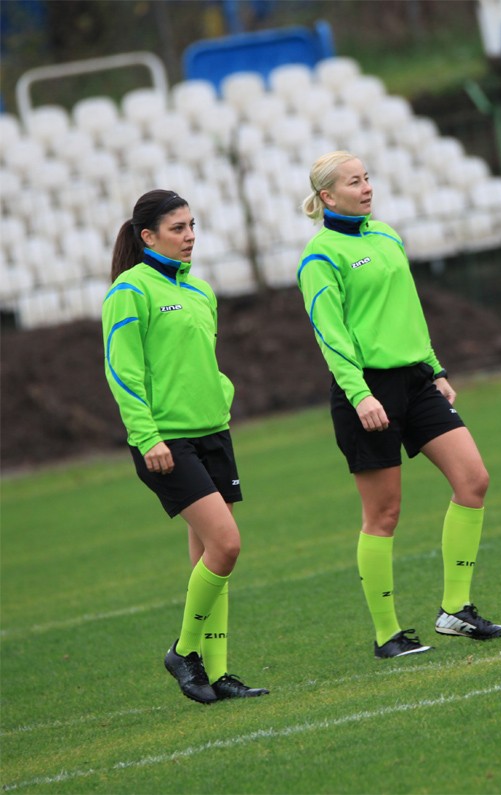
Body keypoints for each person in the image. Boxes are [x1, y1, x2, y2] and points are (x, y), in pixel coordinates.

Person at [296, 151, 501, 658]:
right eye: (354, 182)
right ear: (328, 196)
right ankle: (387, 634)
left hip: (416, 381)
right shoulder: (320, 256)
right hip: (366, 390)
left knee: (473, 480)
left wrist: (434, 368)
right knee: (384, 513)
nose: (366, 187)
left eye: (367, 178)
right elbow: (330, 336)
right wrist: (360, 394)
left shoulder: (386, 235)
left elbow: (407, 312)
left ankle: (455, 610)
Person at [102, 189, 269, 702]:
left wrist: (221, 395)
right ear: (148, 237)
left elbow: (202, 361)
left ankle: (217, 674)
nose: (190, 236)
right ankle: (183, 652)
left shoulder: (200, 289)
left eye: (192, 225)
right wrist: (147, 436)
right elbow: (122, 371)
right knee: (227, 545)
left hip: (212, 431)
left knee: (211, 559)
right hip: (165, 441)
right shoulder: (130, 290)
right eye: (178, 228)